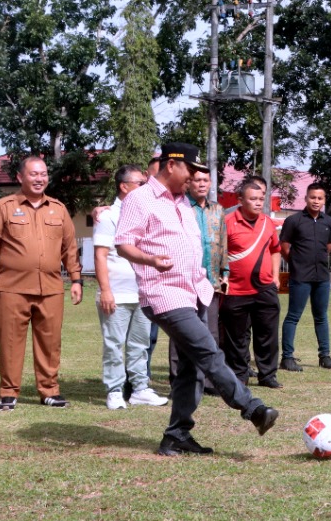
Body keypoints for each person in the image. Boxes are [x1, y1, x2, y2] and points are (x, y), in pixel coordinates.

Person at [114, 142, 278, 456]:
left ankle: (176, 436)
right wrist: (151, 260)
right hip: (163, 293)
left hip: (195, 290)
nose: (193, 177)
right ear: (171, 164)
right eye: (190, 170)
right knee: (209, 352)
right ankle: (253, 409)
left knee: (191, 368)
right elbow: (123, 244)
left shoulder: (183, 202)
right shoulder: (140, 199)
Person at [0, 156, 82, 410]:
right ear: (20, 177)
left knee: (50, 342)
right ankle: (8, 392)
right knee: (11, 342)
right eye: (34, 174)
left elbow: (70, 248)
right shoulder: (3, 207)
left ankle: (49, 391)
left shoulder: (58, 209)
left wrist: (76, 279)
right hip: (12, 288)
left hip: (51, 288)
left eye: (43, 174)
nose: (39, 179)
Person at [92, 164, 166, 410]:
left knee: (140, 343)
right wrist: (106, 290)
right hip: (117, 293)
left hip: (143, 291)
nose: (145, 188)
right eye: (140, 184)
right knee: (114, 343)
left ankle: (139, 388)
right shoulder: (108, 216)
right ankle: (114, 390)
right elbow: (100, 256)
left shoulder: (144, 214)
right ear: (124, 187)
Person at [219, 177, 282, 389]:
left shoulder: (268, 223)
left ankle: (268, 375)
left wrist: (275, 276)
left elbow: (275, 249)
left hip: (264, 289)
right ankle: (239, 375)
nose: (258, 203)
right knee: (236, 338)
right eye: (253, 198)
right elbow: (218, 253)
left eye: (261, 199)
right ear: (240, 200)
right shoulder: (227, 222)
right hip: (235, 290)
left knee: (267, 334)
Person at [168, 168, 227, 392]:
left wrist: (225, 272)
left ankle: (208, 381)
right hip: (183, 281)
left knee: (210, 333)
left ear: (211, 183)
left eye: (206, 180)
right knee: (180, 334)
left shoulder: (218, 210)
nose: (202, 184)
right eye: (197, 180)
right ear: (189, 183)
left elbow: (223, 243)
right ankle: (178, 381)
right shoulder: (179, 207)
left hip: (210, 280)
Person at [280, 183, 331, 370]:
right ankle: (287, 357)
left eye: (320, 198)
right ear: (306, 198)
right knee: (293, 316)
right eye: (312, 197)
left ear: (324, 200)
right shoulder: (294, 221)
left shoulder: (328, 221)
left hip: (321, 277)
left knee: (321, 316)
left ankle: (325, 356)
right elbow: (284, 247)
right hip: (300, 277)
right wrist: (296, 263)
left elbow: (328, 247)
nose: (316, 201)